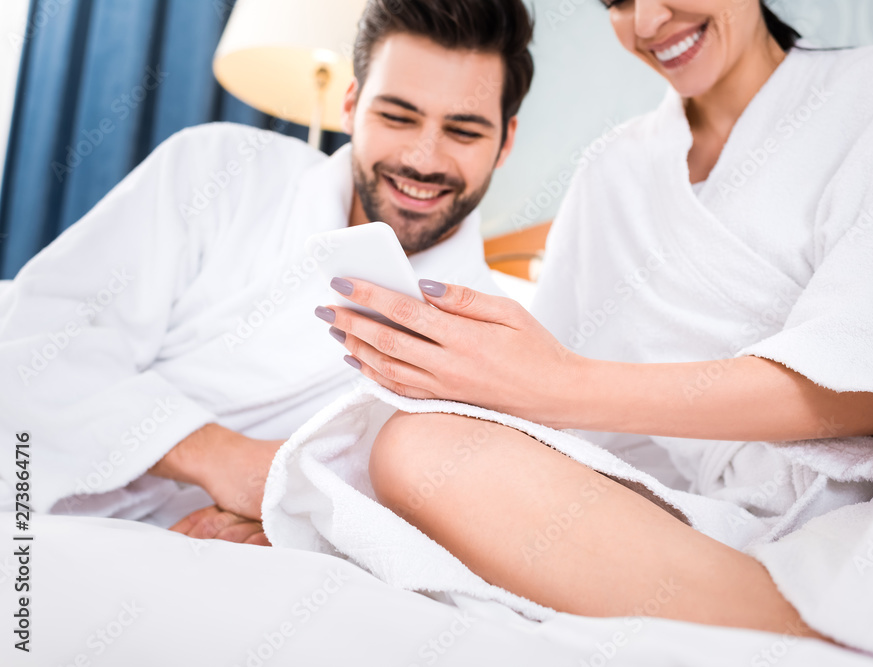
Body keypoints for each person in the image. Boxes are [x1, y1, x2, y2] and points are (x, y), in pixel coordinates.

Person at [318, 0, 873, 635]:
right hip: (704, 534)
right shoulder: (611, 174)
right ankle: (811, 624)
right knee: (415, 449)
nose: (646, 20)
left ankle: (823, 626)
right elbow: (554, 428)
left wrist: (561, 384)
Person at [0, 0, 535, 544]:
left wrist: (296, 528)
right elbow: (36, 339)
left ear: (507, 141)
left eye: (463, 131)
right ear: (350, 105)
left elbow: (434, 513)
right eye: (397, 117)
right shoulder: (218, 169)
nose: (422, 159)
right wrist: (220, 458)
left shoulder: (495, 345)